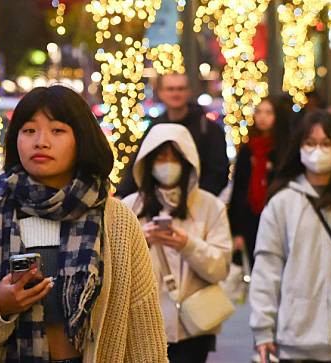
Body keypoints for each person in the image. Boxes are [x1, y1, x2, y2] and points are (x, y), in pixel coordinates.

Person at [0, 85, 167, 362]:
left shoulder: (116, 220)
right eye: (29, 130)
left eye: (57, 131)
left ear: (82, 140)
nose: (40, 141)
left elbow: (143, 328)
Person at [121, 123, 232, 363]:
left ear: (187, 161)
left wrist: (187, 244)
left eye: (174, 157)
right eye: (161, 157)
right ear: (148, 162)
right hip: (141, 327)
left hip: (193, 327)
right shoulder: (129, 207)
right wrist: (143, 241)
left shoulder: (209, 206)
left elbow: (220, 268)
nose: (167, 164)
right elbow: (114, 271)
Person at [250, 110, 331, 363]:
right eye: (311, 143)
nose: (318, 150)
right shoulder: (283, 203)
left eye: (327, 143)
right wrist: (263, 330)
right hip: (295, 340)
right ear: (299, 147)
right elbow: (267, 269)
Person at [116, 73, 229, 198]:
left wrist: (196, 201)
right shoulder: (155, 128)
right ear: (160, 92)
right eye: (170, 89)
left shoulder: (209, 130)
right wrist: (122, 195)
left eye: (180, 88)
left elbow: (218, 173)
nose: (175, 94)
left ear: (188, 91)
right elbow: (139, 165)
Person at [228, 97, 289, 267]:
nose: (262, 117)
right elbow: (239, 189)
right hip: (251, 219)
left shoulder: (284, 150)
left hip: (277, 218)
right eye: (259, 112)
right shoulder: (249, 148)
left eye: (268, 113)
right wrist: (236, 230)